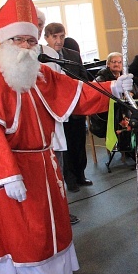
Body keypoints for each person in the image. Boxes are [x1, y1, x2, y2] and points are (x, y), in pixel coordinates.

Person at [0, 0, 133, 274]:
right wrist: (5, 175)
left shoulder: (38, 73)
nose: (27, 47)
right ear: (5, 41)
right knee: (31, 233)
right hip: (16, 171)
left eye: (30, 39)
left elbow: (77, 94)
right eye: (20, 40)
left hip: (46, 163)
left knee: (56, 226)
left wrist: (112, 88)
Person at [44, 22, 91, 193]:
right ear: (46, 38)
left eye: (62, 36)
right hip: (57, 112)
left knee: (79, 143)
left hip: (75, 108)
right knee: (65, 147)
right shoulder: (42, 57)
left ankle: (81, 175)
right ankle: (69, 179)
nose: (59, 40)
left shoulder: (73, 55)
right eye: (54, 37)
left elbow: (83, 78)